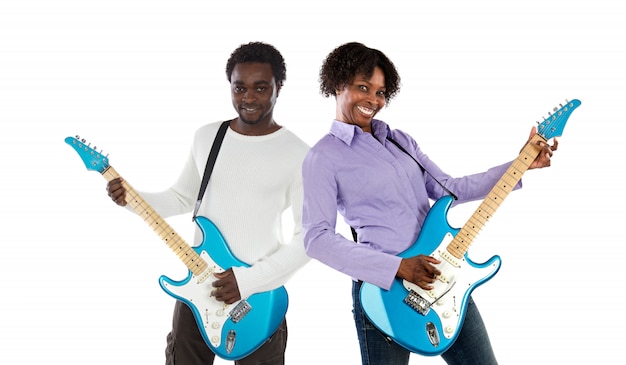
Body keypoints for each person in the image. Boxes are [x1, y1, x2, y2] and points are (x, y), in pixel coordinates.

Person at [301, 42, 557, 365]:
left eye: (380, 92)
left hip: (442, 277)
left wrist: (521, 163)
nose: (373, 100)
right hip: (384, 293)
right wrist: (398, 267)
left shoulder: (400, 141)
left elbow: (450, 188)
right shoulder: (322, 157)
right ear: (338, 85)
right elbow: (316, 239)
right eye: (363, 88)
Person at [105, 42, 310, 365]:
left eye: (260, 88)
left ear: (278, 87)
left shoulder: (299, 154)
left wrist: (246, 281)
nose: (248, 98)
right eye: (239, 87)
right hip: (199, 288)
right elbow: (182, 197)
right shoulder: (207, 138)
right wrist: (131, 199)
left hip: (259, 297)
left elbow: (308, 239)